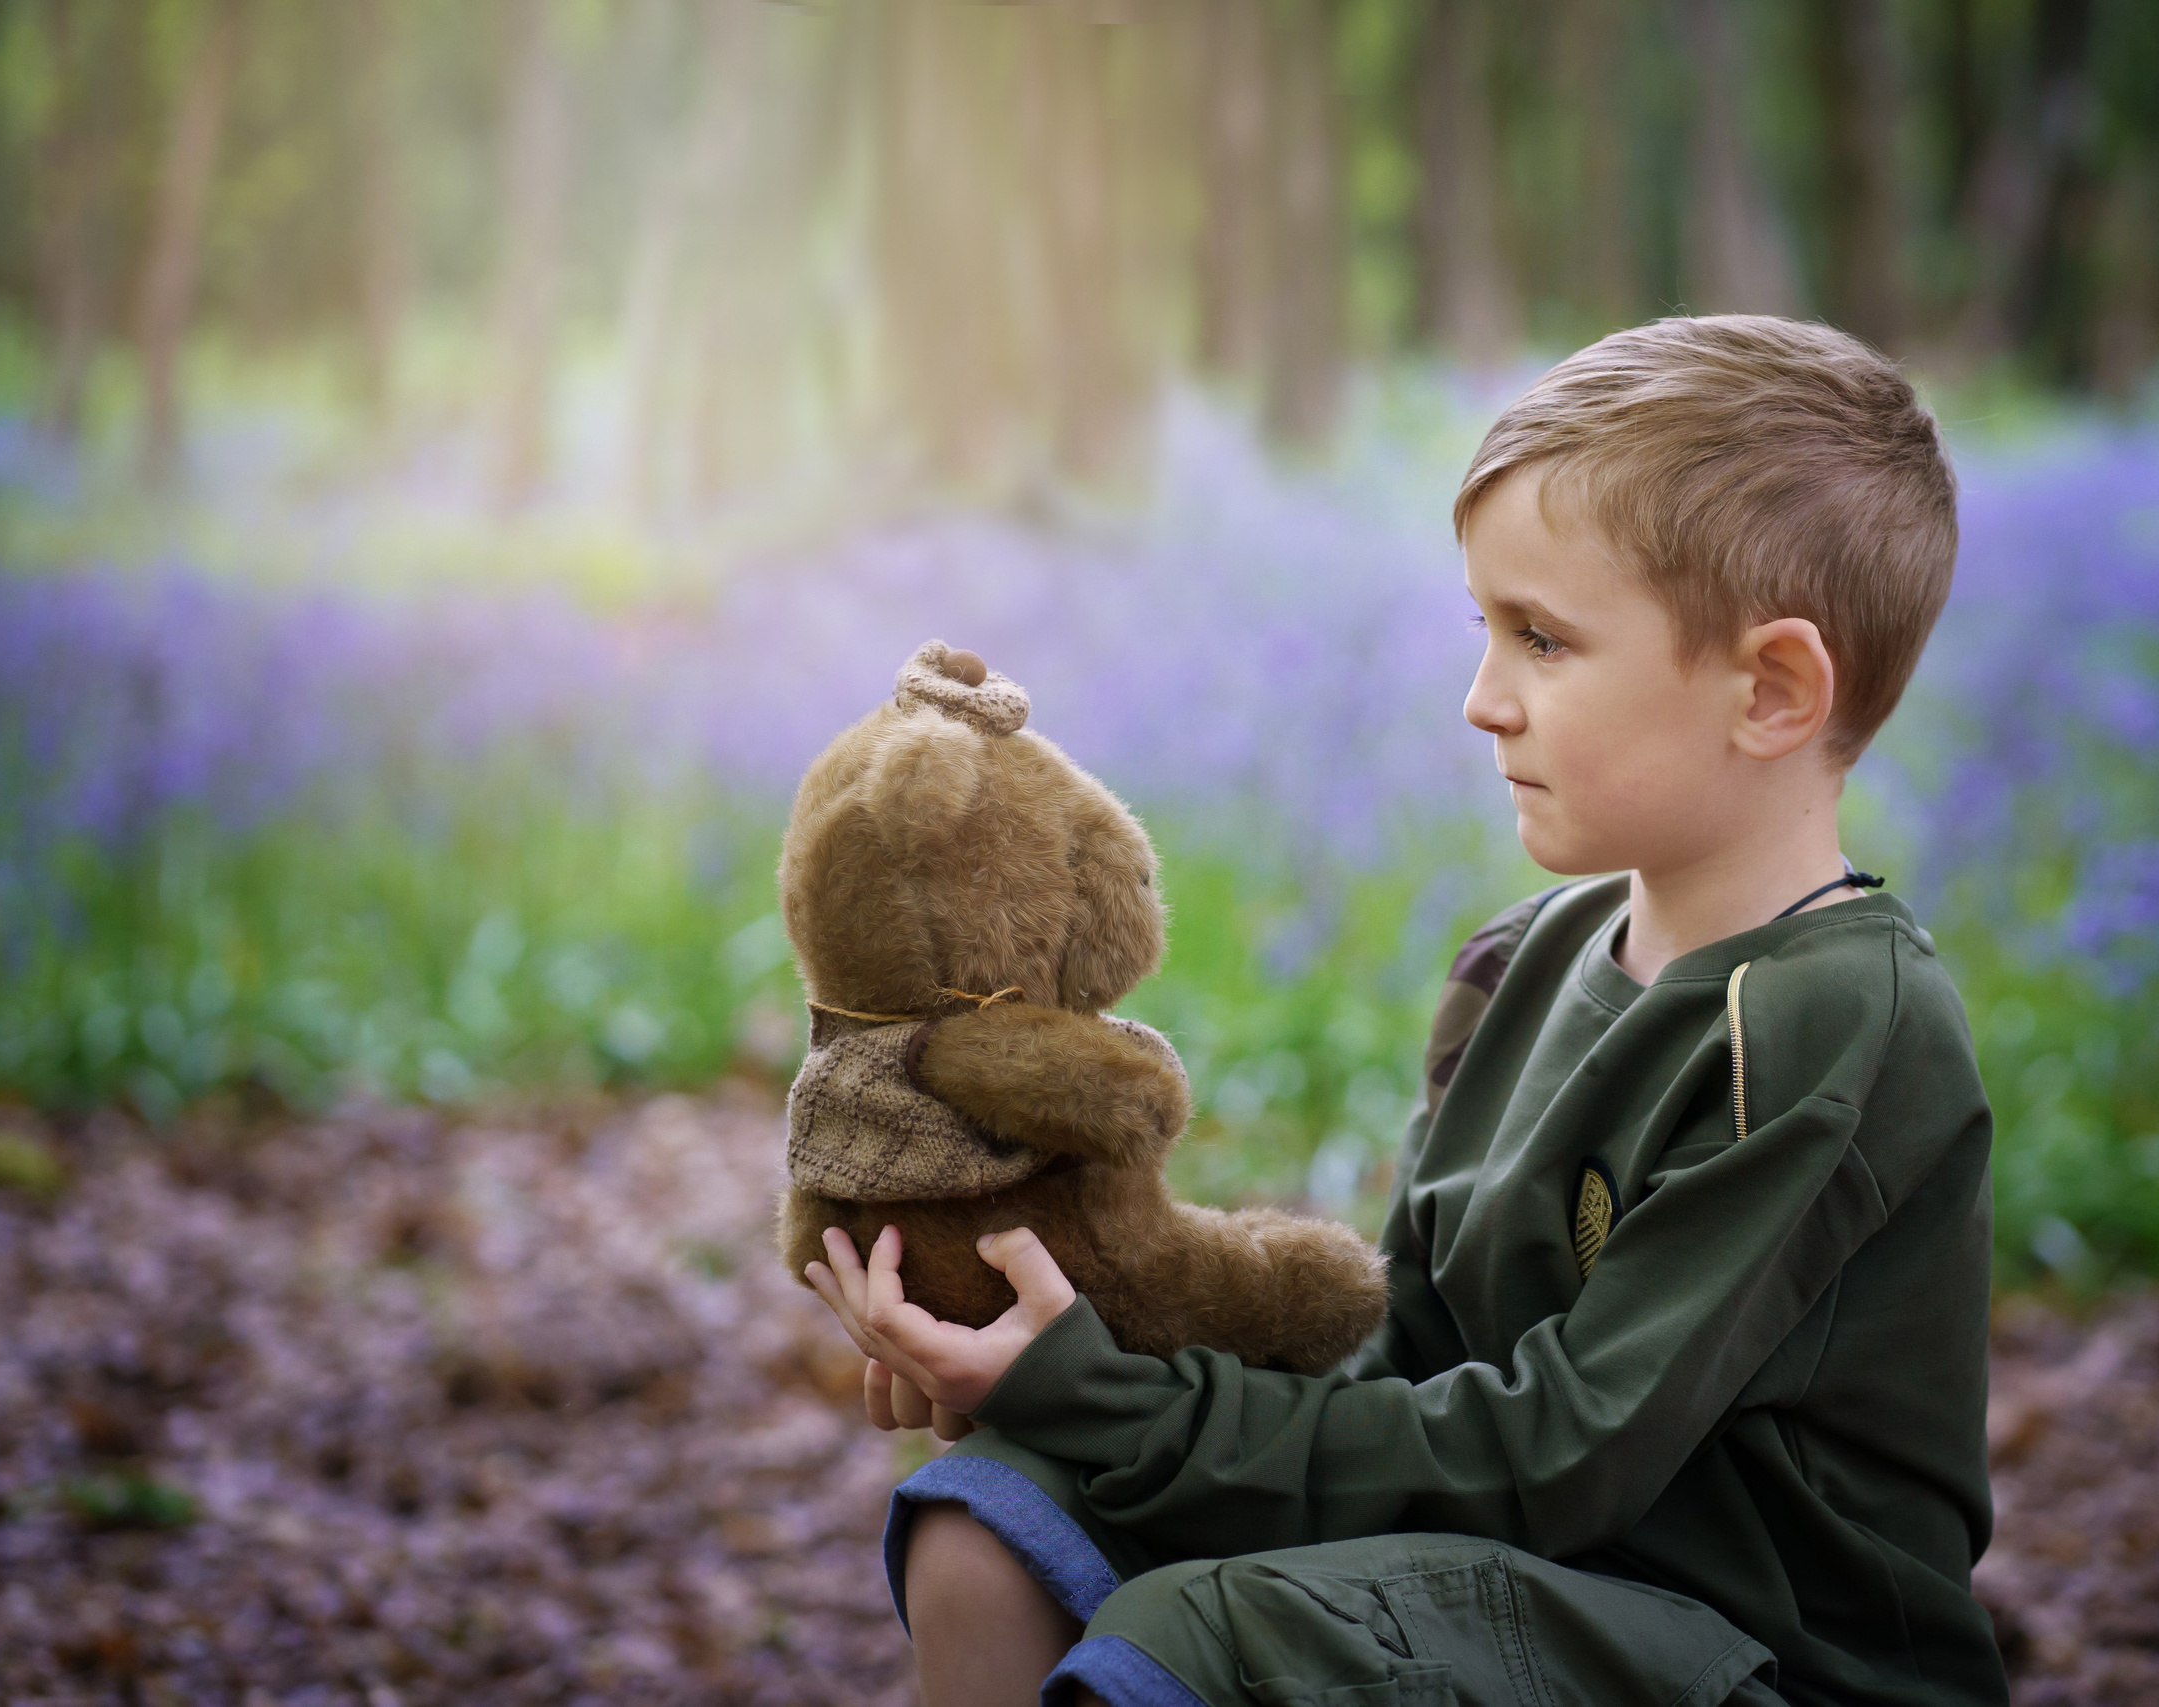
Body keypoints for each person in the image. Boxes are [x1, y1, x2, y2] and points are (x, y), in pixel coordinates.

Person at [805, 314, 2009, 1707]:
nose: (1481, 700)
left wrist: (1105, 1397)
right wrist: (1035, 1344)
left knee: (1208, 1631)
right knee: (990, 1518)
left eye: (1544, 641)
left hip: (1760, 1663)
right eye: (1487, 630)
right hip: (1518, 1574)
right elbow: (1409, 1367)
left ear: (1773, 690)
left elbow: (1558, 1456)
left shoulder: (1827, 1026)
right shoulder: (1527, 962)